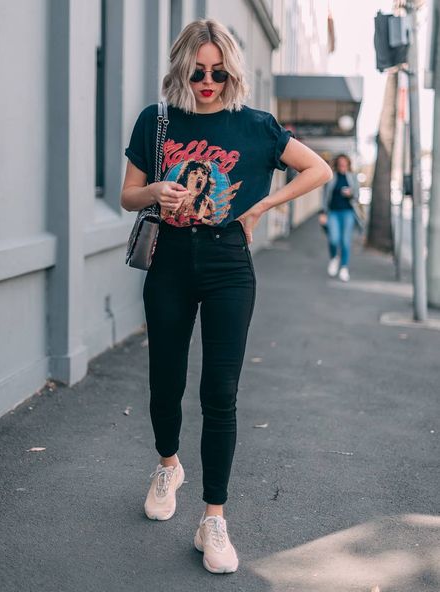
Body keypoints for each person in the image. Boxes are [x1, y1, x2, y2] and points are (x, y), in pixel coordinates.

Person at [121, 18, 332, 574]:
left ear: (232, 71)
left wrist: (261, 208)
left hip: (228, 266)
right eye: (197, 70)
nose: (207, 80)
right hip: (168, 262)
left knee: (221, 391)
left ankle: (213, 517)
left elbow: (318, 168)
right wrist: (155, 190)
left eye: (217, 71)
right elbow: (127, 195)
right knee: (164, 379)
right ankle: (169, 465)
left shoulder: (257, 126)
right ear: (182, 67)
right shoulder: (158, 121)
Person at [320, 154, 360, 282]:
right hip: (333, 212)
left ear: (348, 164)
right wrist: (323, 212)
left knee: (345, 241)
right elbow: (325, 195)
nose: (343, 165)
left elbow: (357, 196)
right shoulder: (332, 177)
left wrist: (351, 193)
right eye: (340, 163)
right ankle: (334, 258)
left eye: (345, 163)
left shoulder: (352, 177)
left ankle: (344, 268)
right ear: (337, 164)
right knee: (333, 239)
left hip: (348, 212)